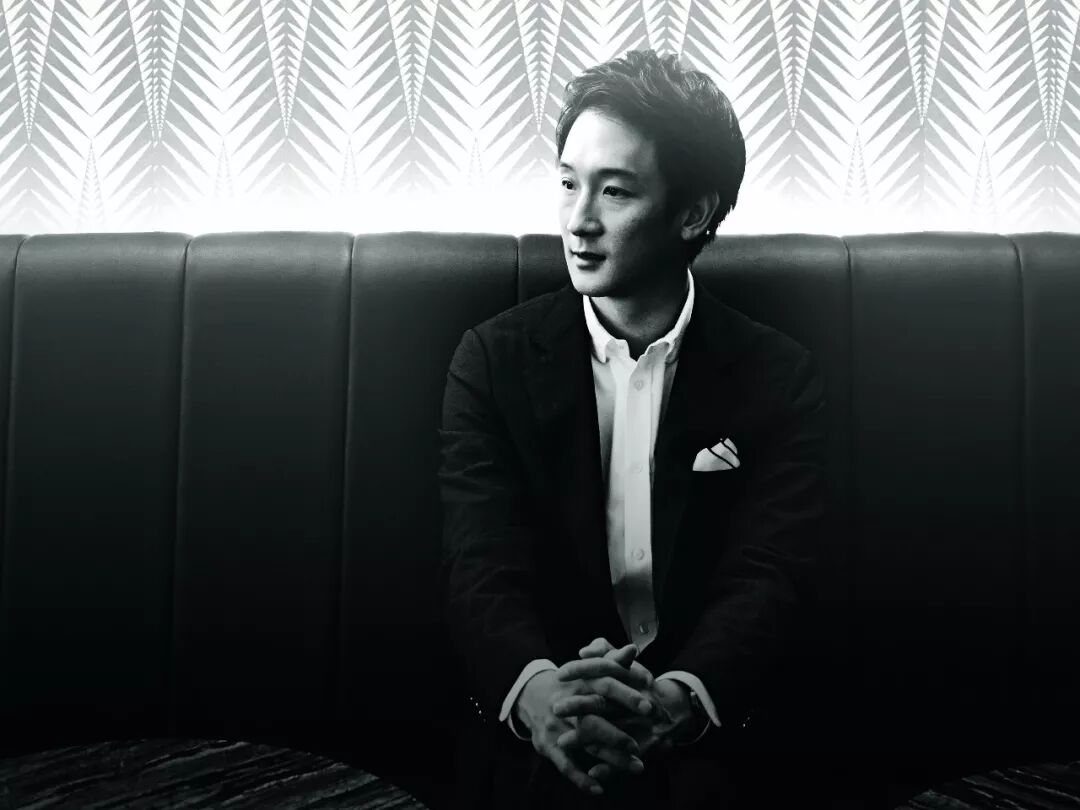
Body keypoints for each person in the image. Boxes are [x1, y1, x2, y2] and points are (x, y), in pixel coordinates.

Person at [438, 48, 828, 809]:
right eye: (567, 183)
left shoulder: (778, 375)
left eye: (614, 191)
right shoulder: (491, 361)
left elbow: (771, 573)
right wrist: (541, 695)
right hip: (536, 728)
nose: (578, 221)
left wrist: (682, 696)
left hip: (715, 732)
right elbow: (478, 565)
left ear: (693, 212)